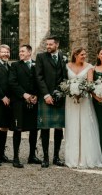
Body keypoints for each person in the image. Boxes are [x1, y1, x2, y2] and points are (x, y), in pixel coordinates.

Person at [64, 47, 102, 168]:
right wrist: (71, 90)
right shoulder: (67, 66)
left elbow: (90, 84)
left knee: (85, 125)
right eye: (82, 54)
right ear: (75, 55)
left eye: (85, 54)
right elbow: (65, 81)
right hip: (71, 100)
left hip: (84, 99)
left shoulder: (89, 67)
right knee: (72, 125)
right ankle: (73, 157)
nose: (84, 56)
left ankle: (87, 157)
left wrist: (81, 91)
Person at [35, 35, 68, 168]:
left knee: (59, 127)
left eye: (50, 44)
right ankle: (46, 158)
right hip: (46, 96)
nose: (48, 46)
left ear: (57, 45)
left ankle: (56, 157)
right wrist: (46, 94)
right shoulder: (41, 57)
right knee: (45, 128)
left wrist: (61, 92)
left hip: (60, 96)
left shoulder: (63, 57)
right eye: (46, 44)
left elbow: (66, 76)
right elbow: (39, 77)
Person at [8, 44, 42, 168]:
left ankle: (32, 156)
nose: (20, 53)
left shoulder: (36, 65)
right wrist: (24, 94)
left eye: (23, 51)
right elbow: (12, 82)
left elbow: (40, 82)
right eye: (20, 51)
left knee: (34, 129)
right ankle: (16, 158)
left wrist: (36, 96)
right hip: (19, 102)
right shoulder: (15, 65)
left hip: (34, 101)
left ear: (29, 52)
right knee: (18, 129)